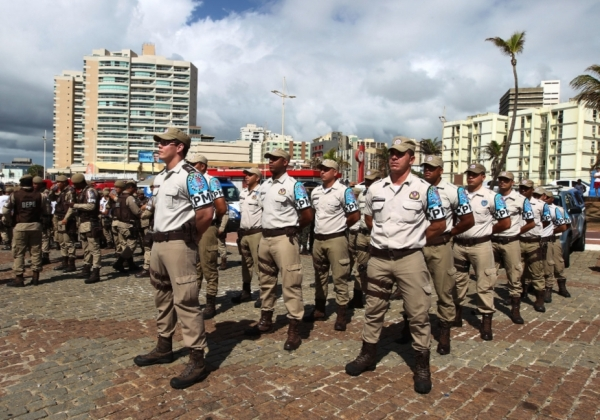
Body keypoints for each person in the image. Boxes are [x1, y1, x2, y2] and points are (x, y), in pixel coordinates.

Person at [345, 139, 446, 395]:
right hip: (378, 258)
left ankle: (422, 366)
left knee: (418, 313)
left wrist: (417, 240)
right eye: (391, 154)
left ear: (411, 159)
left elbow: (439, 224)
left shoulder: (425, 189)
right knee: (373, 309)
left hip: (410, 259)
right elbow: (368, 218)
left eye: (400, 154)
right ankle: (367, 355)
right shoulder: (375, 188)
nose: (394, 158)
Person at [133, 127, 214, 390]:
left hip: (179, 244)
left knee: (186, 301)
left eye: (164, 142)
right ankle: (163, 346)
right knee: (162, 297)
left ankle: (197, 359)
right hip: (158, 244)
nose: (158, 146)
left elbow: (206, 213)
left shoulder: (192, 176)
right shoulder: (162, 177)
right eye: (158, 142)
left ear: (179, 147)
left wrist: (191, 238)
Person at [245, 148, 314, 351]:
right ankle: (266, 319)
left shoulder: (295, 186)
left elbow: (308, 214)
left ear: (285, 162)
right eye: (269, 159)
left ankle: (294, 329)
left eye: (275, 159)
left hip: (285, 238)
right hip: (265, 238)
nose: (271, 162)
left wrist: (296, 228)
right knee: (265, 281)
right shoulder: (265, 186)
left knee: (291, 283)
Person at [420, 156, 474, 355]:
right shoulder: (414, 188)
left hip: (439, 247)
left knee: (444, 291)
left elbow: (468, 220)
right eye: (425, 167)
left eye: (432, 168)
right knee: (415, 291)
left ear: (440, 170)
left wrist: (450, 233)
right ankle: (414, 328)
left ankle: (444, 331)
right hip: (415, 248)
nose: (427, 171)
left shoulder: (454, 191)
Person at [452, 163, 510, 341]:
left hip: (481, 246)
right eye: (469, 174)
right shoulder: (458, 194)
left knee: (485, 283)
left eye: (475, 174)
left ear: (483, 177)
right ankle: (456, 315)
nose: (471, 177)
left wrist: (486, 231)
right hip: (459, 245)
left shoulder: (493, 197)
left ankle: (486, 323)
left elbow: (505, 222)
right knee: (457, 281)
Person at [303, 159, 360, 331]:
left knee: (339, 277)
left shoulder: (344, 191)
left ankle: (342, 314)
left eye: (326, 170)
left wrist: (341, 227)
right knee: (319, 276)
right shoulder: (316, 192)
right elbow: (314, 214)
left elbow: (355, 215)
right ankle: (320, 309)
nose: (322, 172)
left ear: (335, 172)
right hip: (318, 239)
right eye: (321, 169)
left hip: (336, 239)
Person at [185, 152, 228, 319]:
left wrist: (211, 221)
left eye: (193, 164)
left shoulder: (211, 181)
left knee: (208, 265)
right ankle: (193, 300)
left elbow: (222, 208)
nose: (190, 167)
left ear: (202, 166)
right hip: (191, 228)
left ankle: (210, 302)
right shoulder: (190, 181)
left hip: (207, 227)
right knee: (193, 266)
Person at [491, 171, 535, 324]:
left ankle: (515, 309)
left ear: (512, 182)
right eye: (500, 179)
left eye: (506, 180)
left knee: (514, 275)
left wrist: (516, 232)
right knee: (488, 274)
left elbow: (531, 222)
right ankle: (485, 306)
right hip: (493, 241)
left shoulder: (520, 200)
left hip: (511, 242)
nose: (502, 182)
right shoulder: (492, 197)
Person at [3, 175, 48, 287]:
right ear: (31, 183)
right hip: (36, 225)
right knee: (36, 251)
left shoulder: (15, 195)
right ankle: (36, 277)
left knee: (18, 252)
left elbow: (5, 210)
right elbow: (47, 210)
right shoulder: (40, 195)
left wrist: (9, 221)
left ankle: (19, 278)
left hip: (20, 226)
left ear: (21, 184)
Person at [348, 170, 382, 309]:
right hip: (362, 234)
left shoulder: (383, 194)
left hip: (377, 235)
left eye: (371, 180)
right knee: (360, 267)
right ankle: (357, 297)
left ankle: (377, 298)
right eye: (367, 180)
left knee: (378, 268)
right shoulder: (362, 194)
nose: (368, 183)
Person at [518, 179, 551, 313]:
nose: (523, 190)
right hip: (518, 241)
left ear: (532, 190)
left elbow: (546, 221)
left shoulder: (541, 205)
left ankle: (539, 300)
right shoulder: (514, 202)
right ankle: (516, 295)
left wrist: (534, 231)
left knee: (537, 271)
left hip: (533, 242)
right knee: (516, 271)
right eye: (521, 188)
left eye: (526, 188)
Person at [231, 168, 263, 305]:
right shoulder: (243, 193)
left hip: (257, 233)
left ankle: (264, 293)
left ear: (257, 178)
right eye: (246, 174)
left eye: (250, 175)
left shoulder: (262, 193)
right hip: (244, 233)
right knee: (245, 264)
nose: (246, 177)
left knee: (260, 265)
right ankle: (246, 292)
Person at [67, 173, 102, 284]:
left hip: (91, 223)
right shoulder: (81, 192)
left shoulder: (90, 191)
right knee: (86, 248)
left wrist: (75, 205)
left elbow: (91, 206)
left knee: (94, 248)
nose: (75, 186)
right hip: (82, 223)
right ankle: (87, 267)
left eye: (76, 184)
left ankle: (96, 271)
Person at [539, 188, 571, 301]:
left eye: (547, 197)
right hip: (539, 239)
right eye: (543, 196)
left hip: (553, 239)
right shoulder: (537, 207)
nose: (544, 199)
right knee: (544, 265)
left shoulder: (559, 210)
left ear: (552, 199)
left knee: (558, 264)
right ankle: (544, 287)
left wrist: (552, 232)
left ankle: (562, 287)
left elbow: (567, 224)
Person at [111, 180, 141, 272]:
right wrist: (142, 210)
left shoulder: (119, 198)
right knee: (132, 244)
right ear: (131, 188)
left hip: (118, 224)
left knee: (124, 244)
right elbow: (136, 211)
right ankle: (119, 263)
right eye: (135, 188)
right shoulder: (129, 198)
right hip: (127, 224)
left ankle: (130, 264)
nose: (135, 190)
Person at [49, 175, 77, 272]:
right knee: (61, 241)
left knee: (68, 241)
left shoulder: (69, 192)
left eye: (59, 182)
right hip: (58, 217)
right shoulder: (61, 192)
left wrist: (66, 218)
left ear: (64, 183)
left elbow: (71, 206)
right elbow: (51, 198)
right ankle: (64, 261)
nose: (57, 184)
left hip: (66, 219)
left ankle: (71, 263)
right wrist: (52, 190)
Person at [136, 183, 155, 279]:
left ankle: (147, 268)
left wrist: (139, 213)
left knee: (148, 247)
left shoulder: (153, 198)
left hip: (155, 227)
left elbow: (147, 213)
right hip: (170, 227)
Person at [33, 177, 52, 265]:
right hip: (37, 217)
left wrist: (46, 217)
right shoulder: (35, 193)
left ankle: (45, 255)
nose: (34, 185)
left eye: (36, 184)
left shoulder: (44, 193)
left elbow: (47, 207)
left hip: (44, 217)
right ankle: (38, 255)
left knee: (44, 237)